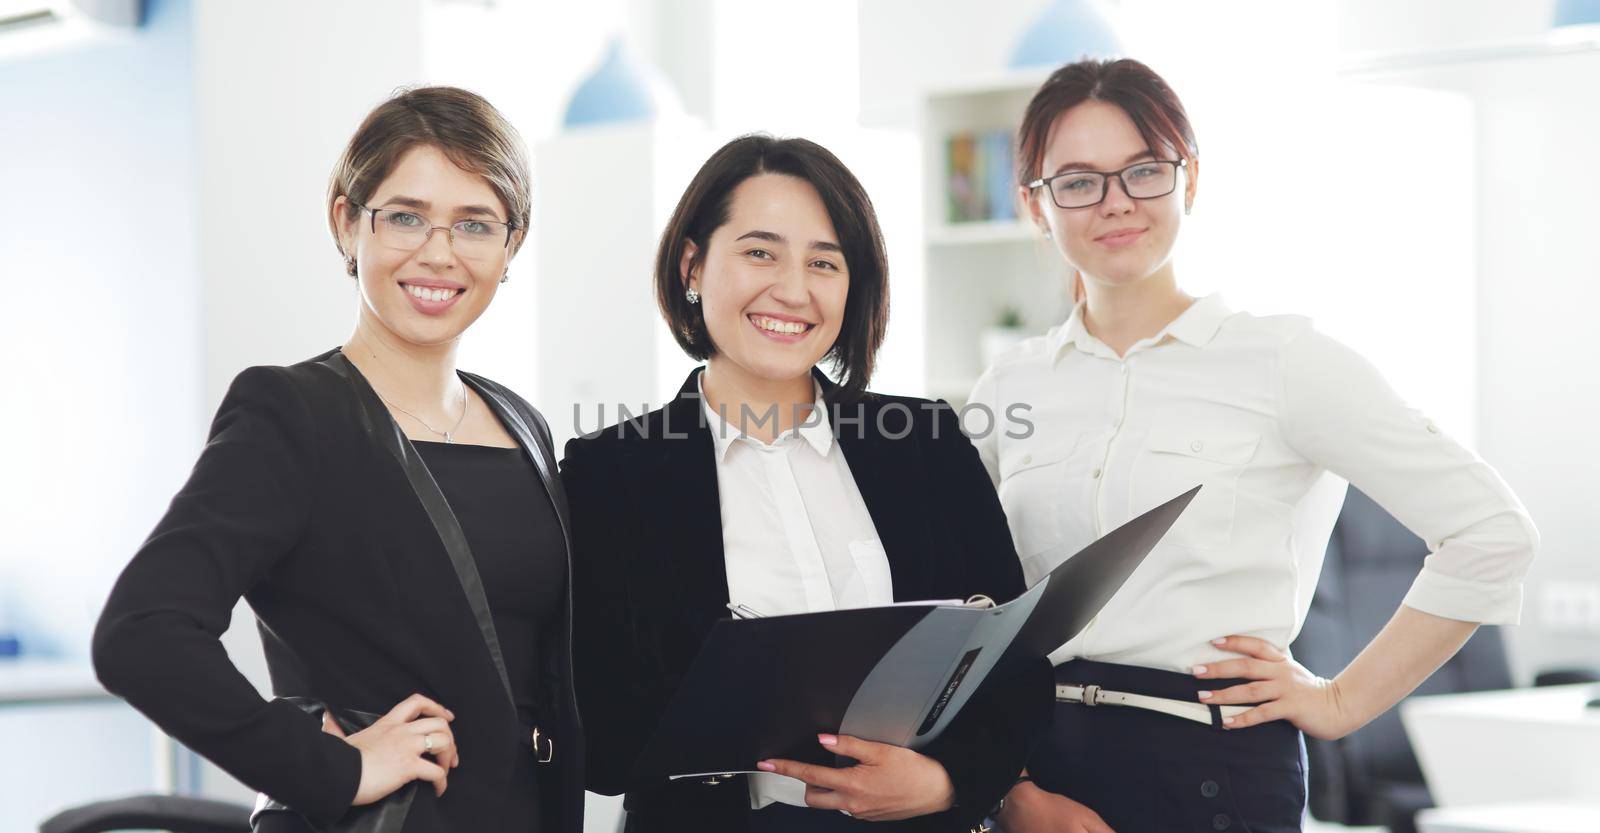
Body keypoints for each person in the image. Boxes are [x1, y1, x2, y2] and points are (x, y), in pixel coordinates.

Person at [971, 58, 1539, 833]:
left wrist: (1340, 701)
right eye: (1077, 181)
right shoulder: (1009, 385)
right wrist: (1017, 794)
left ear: (1190, 181)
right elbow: (972, 609)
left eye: (1144, 171)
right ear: (1036, 206)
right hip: (1041, 779)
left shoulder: (1282, 360)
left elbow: (1491, 531)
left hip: (1216, 775)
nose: (1114, 203)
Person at [93, 86, 583, 833]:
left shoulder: (523, 422)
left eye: (474, 223)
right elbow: (141, 633)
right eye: (406, 216)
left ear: (512, 245)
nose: (439, 251)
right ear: (347, 221)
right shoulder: (292, 414)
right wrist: (330, 766)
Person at [562, 134, 1052, 833]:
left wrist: (947, 780)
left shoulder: (927, 444)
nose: (793, 290)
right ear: (692, 265)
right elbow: (598, 741)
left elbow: (1018, 669)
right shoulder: (611, 474)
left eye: (824, 262)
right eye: (760, 251)